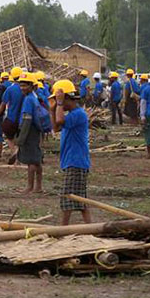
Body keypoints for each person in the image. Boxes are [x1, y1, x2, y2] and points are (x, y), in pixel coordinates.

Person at [51, 79, 92, 225]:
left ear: (67, 98)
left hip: (76, 161)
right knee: (79, 199)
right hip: (72, 160)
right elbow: (55, 127)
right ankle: (89, 228)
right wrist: (53, 108)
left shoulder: (78, 114)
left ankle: (63, 228)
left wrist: (59, 104)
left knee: (68, 197)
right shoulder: (72, 114)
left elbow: (59, 121)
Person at [16, 73, 43, 193]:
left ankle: (30, 186)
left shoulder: (28, 100)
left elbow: (27, 119)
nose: (22, 88)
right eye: (21, 85)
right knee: (36, 159)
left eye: (25, 85)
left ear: (31, 86)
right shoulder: (34, 97)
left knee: (31, 160)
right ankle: (38, 187)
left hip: (29, 130)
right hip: (35, 130)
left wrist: (21, 139)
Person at [0, 66, 24, 161]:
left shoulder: (10, 89)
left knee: (8, 135)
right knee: (21, 137)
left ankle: (14, 150)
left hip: (11, 118)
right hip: (24, 119)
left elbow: (3, 104)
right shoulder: (26, 88)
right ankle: (19, 152)